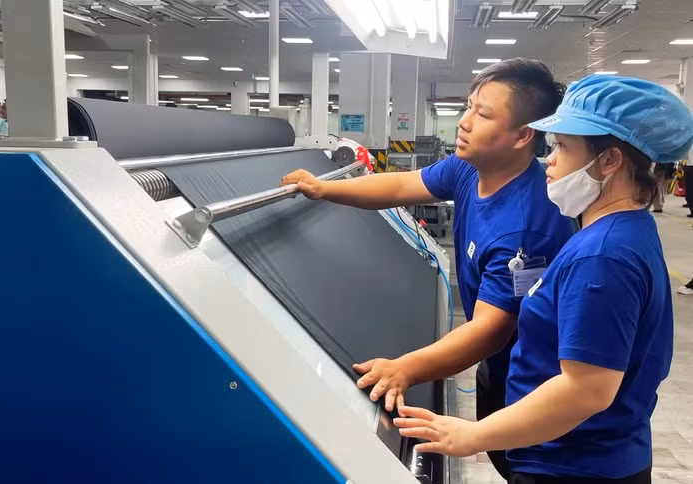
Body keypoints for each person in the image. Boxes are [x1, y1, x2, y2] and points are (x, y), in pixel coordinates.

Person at [281, 58, 575, 479]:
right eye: (469, 106)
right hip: (502, 364)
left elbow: (493, 329)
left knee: (527, 464)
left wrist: (407, 368)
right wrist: (324, 187)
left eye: (483, 114)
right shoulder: (468, 169)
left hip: (537, 378)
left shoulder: (528, 225)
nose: (465, 121)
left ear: (523, 136)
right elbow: (401, 185)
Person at [393, 76, 692, 483]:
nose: (549, 160)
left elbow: (585, 391)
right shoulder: (619, 229)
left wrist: (474, 434)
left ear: (609, 162)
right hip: (588, 454)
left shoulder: (603, 256)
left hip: (573, 465)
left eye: (563, 147)